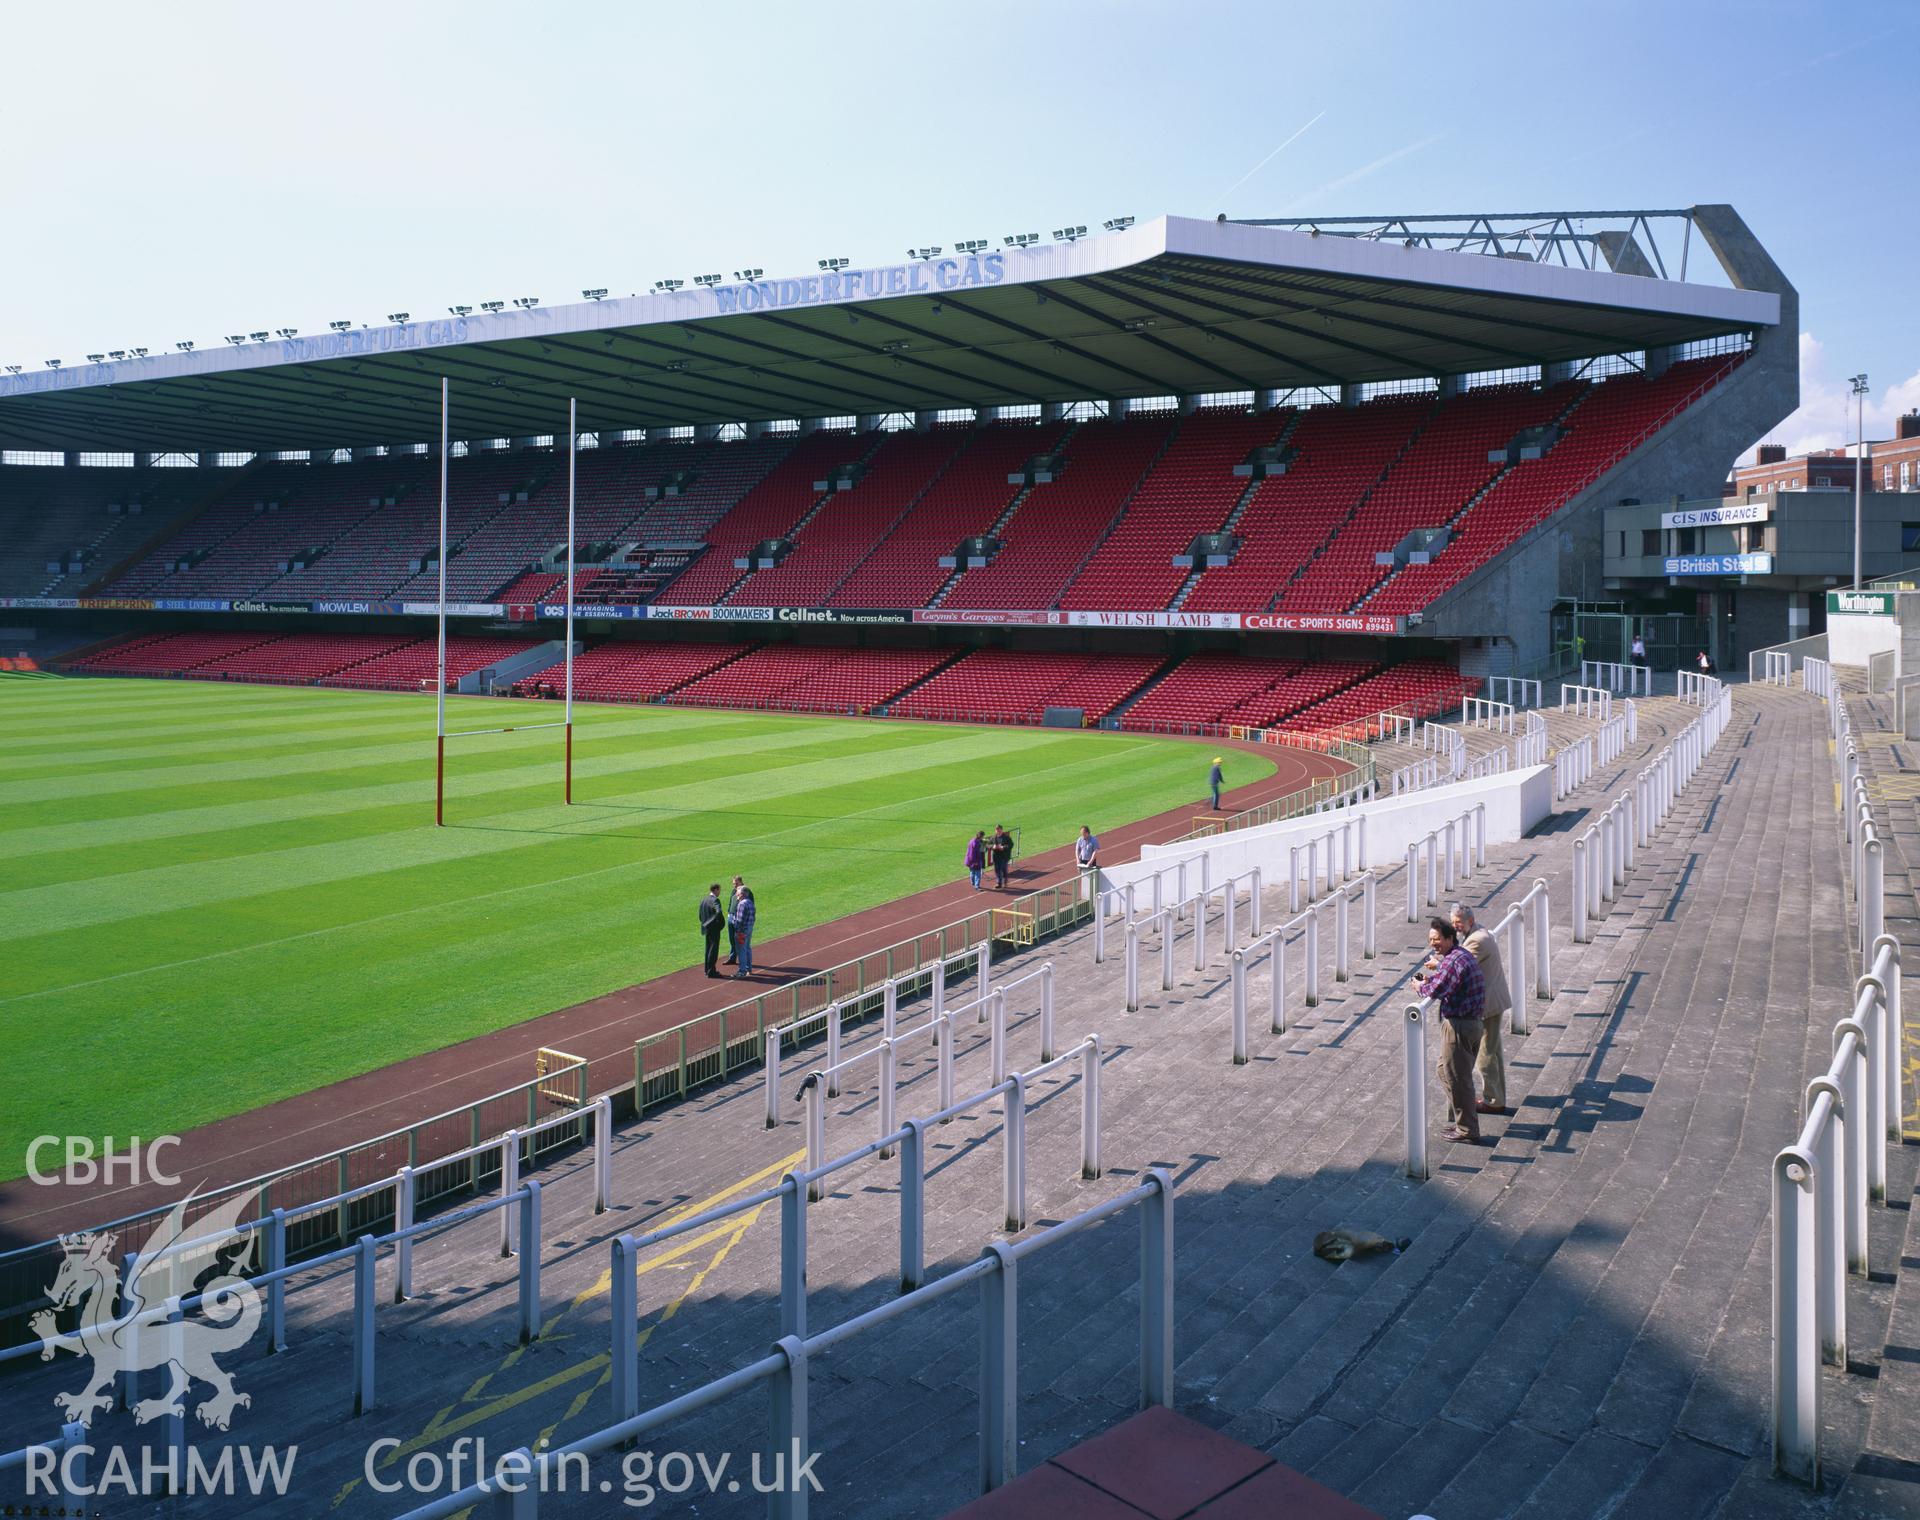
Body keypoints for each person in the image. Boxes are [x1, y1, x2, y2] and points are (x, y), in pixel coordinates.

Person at [1418, 915, 1485, 1144]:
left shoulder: (1453, 961)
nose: (1433, 943)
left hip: (1460, 1026)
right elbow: (1446, 981)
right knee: (1444, 1071)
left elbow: (1437, 989)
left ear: (1449, 938)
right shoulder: (1458, 956)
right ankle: (1464, 1117)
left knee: (1458, 1078)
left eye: (1436, 939)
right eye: (1430, 939)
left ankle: (1468, 1129)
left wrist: (1419, 985)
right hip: (1470, 1023)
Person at [1451, 903, 1510, 1116]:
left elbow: (1460, 967)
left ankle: (1493, 1101)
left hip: (1488, 1004)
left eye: (1458, 923)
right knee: (1492, 1052)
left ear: (1470, 921)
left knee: (1485, 1056)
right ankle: (1496, 1097)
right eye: (1453, 923)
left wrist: (1437, 966)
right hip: (1493, 1001)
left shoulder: (1477, 940)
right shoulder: (1479, 932)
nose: (1455, 927)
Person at [699, 883, 727, 978]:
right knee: (713, 950)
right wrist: (718, 924)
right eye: (719, 890)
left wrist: (705, 924)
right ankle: (711, 971)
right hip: (713, 929)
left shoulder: (704, 899)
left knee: (708, 949)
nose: (719, 892)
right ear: (715, 889)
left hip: (706, 929)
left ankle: (707, 969)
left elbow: (700, 915)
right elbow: (718, 912)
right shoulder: (715, 900)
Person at [729, 882, 756, 978]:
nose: (736, 894)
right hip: (749, 928)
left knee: (741, 950)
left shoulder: (741, 904)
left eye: (738, 893)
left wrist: (738, 931)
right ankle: (749, 969)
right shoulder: (750, 902)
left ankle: (742, 971)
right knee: (747, 948)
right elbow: (753, 917)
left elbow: (739, 921)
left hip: (742, 931)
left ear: (742, 894)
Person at [722, 874, 745, 965]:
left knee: (739, 939)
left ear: (740, 882)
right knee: (732, 938)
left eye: (735, 883)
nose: (734, 885)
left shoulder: (745, 891)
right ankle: (732, 958)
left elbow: (749, 904)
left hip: (738, 918)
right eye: (733, 883)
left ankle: (742, 959)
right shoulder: (733, 891)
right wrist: (728, 912)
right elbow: (731, 902)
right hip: (731, 917)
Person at [990, 824, 1013, 890]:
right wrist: (992, 846)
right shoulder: (993, 837)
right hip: (996, 857)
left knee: (1003, 870)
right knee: (997, 870)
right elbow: (988, 844)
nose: (998, 831)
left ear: (1002, 830)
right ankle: (999, 883)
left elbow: (1011, 845)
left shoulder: (1006, 837)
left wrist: (1003, 847)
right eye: (997, 829)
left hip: (1004, 856)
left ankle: (1005, 881)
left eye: (999, 829)